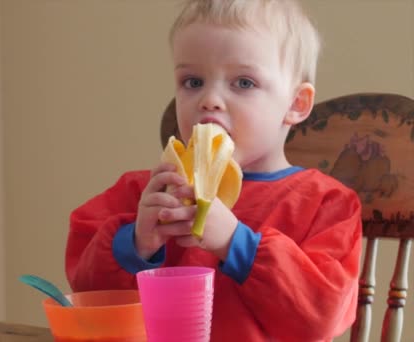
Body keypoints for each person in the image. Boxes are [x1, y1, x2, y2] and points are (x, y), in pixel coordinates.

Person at [65, 0, 362, 341]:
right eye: (192, 82)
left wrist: (237, 244)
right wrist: (136, 242)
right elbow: (87, 296)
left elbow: (321, 318)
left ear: (296, 104)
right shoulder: (144, 193)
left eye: (244, 83)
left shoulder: (326, 204)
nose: (209, 99)